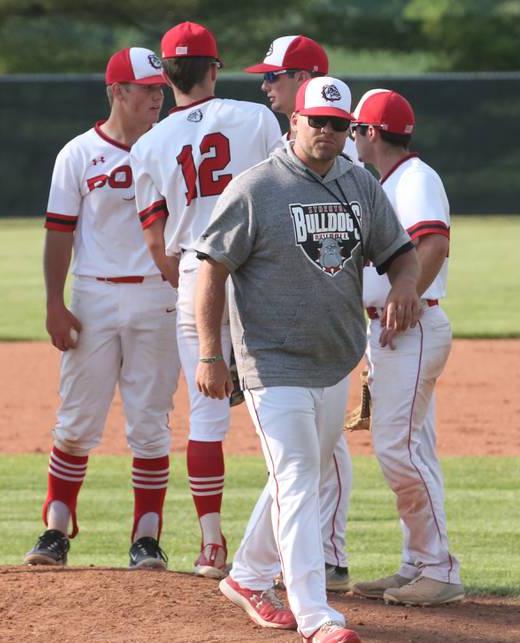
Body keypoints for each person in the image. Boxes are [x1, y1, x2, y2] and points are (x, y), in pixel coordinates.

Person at [194, 77, 422, 642]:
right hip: (272, 363)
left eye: (338, 124)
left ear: (351, 130)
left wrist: (403, 286)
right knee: (298, 477)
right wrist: (209, 354)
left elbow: (400, 253)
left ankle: (247, 575)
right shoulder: (257, 186)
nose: (326, 131)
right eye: (315, 120)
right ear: (293, 122)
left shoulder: (359, 183)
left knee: (300, 474)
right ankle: (316, 615)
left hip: (334, 359)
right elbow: (212, 268)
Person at [130, 21, 281, 578]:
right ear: (215, 69)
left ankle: (211, 545)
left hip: (196, 271)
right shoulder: (256, 117)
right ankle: (286, 545)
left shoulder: (148, 144)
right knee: (280, 407)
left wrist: (191, 280)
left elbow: (154, 238)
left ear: (166, 76)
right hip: (257, 270)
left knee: (205, 418)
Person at [23, 47, 180, 569]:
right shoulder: (78, 153)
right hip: (93, 294)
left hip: (160, 295)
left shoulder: (174, 147)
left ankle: (146, 537)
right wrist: (54, 301)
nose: (157, 96)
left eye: (161, 88)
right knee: (76, 420)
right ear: (117, 91)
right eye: (146, 88)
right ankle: (56, 528)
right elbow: (58, 233)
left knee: (150, 422)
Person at [245, 33, 358, 593]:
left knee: (315, 459)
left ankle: (323, 560)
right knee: (301, 463)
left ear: (304, 79)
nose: (266, 85)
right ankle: (263, 569)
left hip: (329, 322)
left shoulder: (338, 155)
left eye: (275, 76)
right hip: (300, 324)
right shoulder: (287, 149)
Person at [349, 89, 464, 606]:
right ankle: (417, 563)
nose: (349, 137)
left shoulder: (415, 179)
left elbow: (433, 244)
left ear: (372, 133)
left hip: (410, 328)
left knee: (398, 450)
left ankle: (439, 567)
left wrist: (404, 298)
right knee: (413, 449)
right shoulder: (393, 180)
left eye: (354, 129)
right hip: (397, 330)